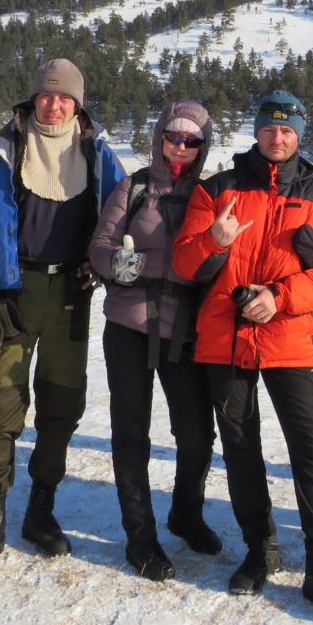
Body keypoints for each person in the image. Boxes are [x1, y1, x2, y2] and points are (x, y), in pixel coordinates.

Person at [172, 90, 313, 620]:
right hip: (224, 340)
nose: (276, 138)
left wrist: (280, 297)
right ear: (255, 132)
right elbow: (185, 263)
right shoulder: (219, 189)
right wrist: (214, 238)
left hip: (288, 338)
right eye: (268, 129)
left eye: (287, 130)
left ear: (300, 135)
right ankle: (260, 551)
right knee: (240, 449)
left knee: (311, 454)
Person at [0, 58, 126, 574]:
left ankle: (41, 511)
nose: (54, 105)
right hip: (12, 293)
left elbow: (125, 213)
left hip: (71, 294)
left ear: (78, 104)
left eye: (65, 97)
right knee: (2, 406)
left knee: (62, 404)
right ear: (32, 101)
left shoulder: (98, 156)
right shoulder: (3, 152)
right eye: (46, 97)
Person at [87, 101, 221, 582]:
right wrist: (134, 268)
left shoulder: (210, 195)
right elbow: (101, 248)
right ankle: (139, 537)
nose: (180, 147)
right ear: (159, 136)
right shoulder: (133, 186)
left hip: (184, 329)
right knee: (131, 432)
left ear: (204, 147)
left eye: (192, 141)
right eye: (173, 136)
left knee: (197, 434)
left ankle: (186, 512)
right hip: (129, 325)